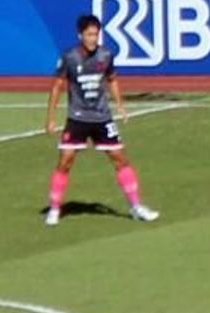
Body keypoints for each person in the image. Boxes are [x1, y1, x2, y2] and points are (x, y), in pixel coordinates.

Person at [44, 14, 160, 227]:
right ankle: (54, 208)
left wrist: (120, 106)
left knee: (120, 158)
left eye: (96, 34)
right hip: (77, 118)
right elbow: (57, 86)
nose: (93, 39)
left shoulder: (105, 55)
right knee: (65, 161)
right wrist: (50, 118)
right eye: (89, 34)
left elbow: (112, 80)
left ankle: (136, 206)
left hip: (102, 117)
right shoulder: (70, 57)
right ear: (80, 35)